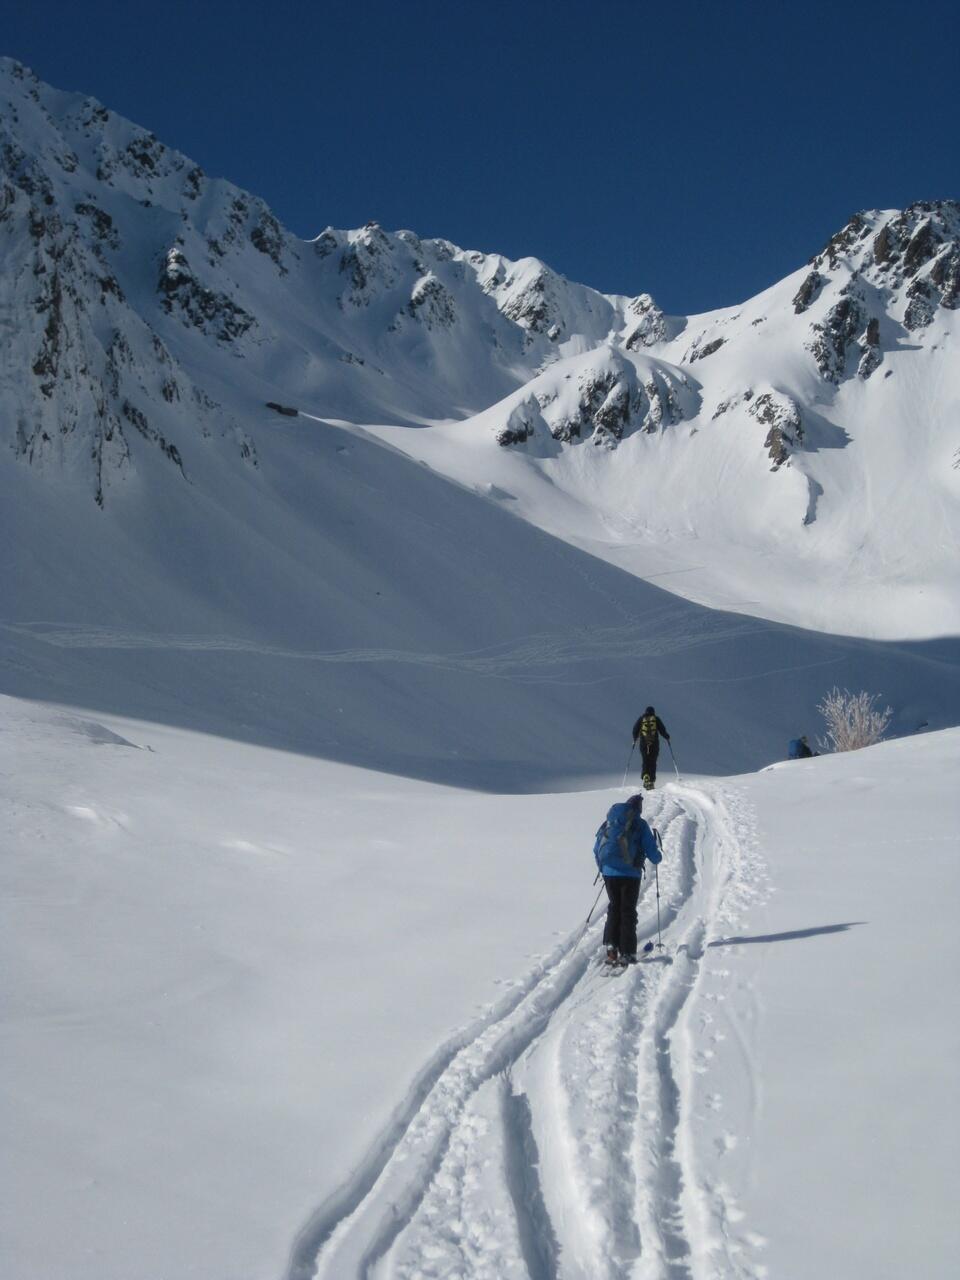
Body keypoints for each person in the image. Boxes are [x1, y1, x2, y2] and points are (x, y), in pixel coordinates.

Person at [593, 793, 661, 965]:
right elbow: (653, 853)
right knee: (627, 911)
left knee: (614, 907)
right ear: (638, 809)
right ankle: (627, 952)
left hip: (609, 873)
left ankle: (611, 947)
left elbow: (596, 848)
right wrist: (658, 857)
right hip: (630, 874)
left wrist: (603, 868)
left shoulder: (610, 822)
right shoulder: (639, 824)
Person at [631, 705, 671, 789]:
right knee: (653, 761)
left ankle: (645, 776)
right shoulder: (656, 719)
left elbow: (635, 730)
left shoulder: (641, 719)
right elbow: (662, 730)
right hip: (654, 744)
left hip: (643, 744)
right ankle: (651, 781)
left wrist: (635, 739)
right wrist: (667, 737)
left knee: (645, 760)